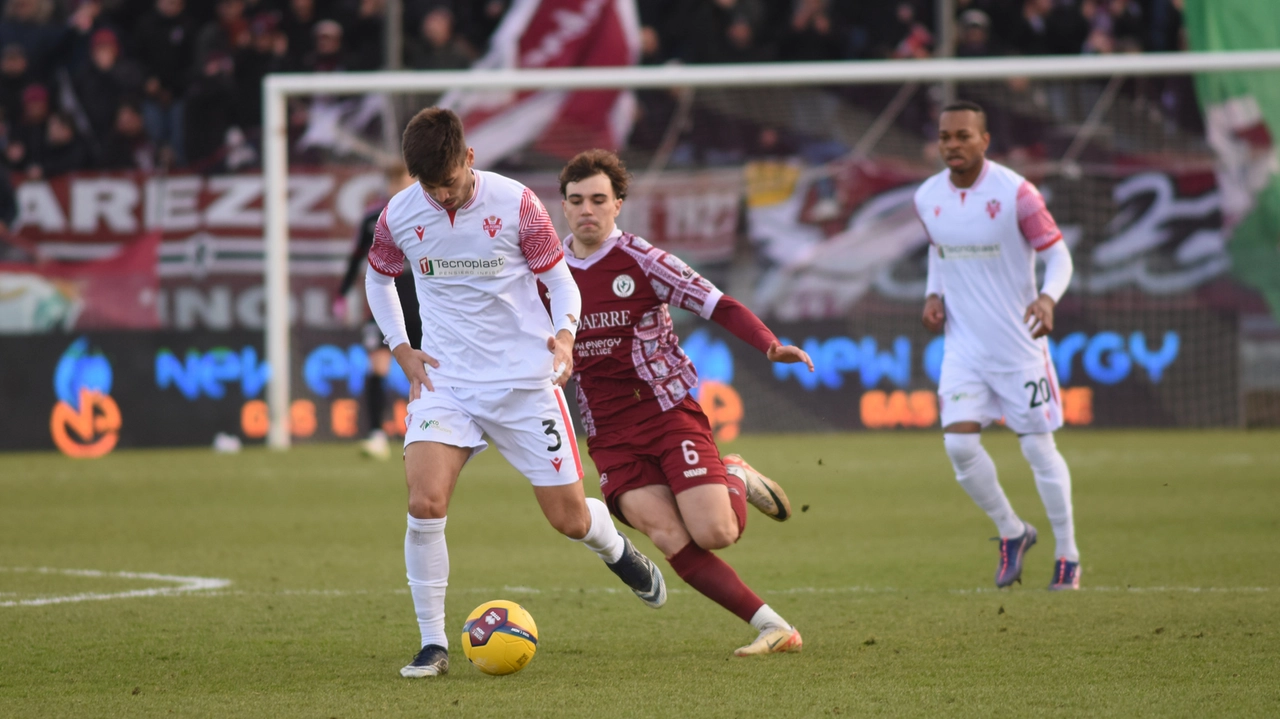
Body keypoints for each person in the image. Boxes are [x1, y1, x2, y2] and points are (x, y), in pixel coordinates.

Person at [365, 108, 666, 679]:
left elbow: (558, 279)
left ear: (469, 159)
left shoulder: (517, 205)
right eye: (430, 186)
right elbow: (378, 276)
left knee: (569, 519)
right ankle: (433, 645)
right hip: (445, 380)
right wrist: (401, 345)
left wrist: (564, 336)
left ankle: (617, 552)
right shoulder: (399, 214)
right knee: (424, 504)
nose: (443, 196)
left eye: (450, 181)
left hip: (524, 382)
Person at [557, 149, 814, 656]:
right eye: (576, 200)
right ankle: (774, 627)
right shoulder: (546, 272)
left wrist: (767, 343)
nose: (587, 209)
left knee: (715, 532)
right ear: (563, 207)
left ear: (618, 205)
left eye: (598, 200)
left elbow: (717, 302)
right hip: (608, 433)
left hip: (665, 412)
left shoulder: (643, 260)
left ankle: (734, 473)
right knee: (668, 535)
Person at [915, 100, 1079, 591]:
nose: (953, 145)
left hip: (1019, 347)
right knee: (959, 445)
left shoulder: (1015, 194)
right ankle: (1013, 530)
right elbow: (938, 249)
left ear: (985, 140)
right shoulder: (927, 197)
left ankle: (1068, 554)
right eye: (946, 137)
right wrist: (933, 292)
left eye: (963, 136)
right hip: (964, 346)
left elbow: (1059, 256)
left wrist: (1048, 299)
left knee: (1038, 451)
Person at [336, 162, 420, 459]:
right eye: (393, 181)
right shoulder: (373, 218)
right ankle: (376, 434)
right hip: (383, 301)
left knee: (426, 370)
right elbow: (356, 257)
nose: (398, 186)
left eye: (404, 180)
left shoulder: (427, 214)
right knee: (378, 366)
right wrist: (342, 294)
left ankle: (431, 430)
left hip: (420, 301)